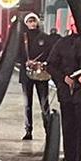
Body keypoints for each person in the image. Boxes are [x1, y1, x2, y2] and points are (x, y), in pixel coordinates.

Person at [45, 16, 81, 161]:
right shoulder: (62, 43)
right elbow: (51, 65)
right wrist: (63, 78)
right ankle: (69, 160)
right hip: (66, 92)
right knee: (68, 127)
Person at [17, 10, 52, 139]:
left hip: (41, 74)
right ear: (26, 23)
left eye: (34, 21)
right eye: (29, 21)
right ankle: (28, 130)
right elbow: (16, 55)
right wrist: (25, 62)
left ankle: (48, 130)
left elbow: (50, 54)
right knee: (27, 104)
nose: (32, 23)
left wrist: (42, 63)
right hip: (26, 75)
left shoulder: (45, 37)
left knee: (44, 103)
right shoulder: (22, 39)